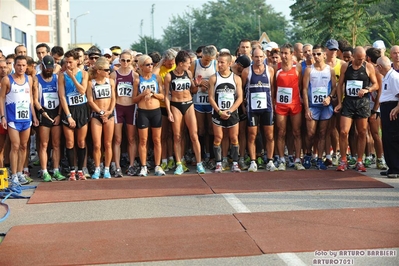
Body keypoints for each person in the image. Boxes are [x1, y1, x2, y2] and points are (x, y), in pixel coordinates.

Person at [334, 46, 379, 172]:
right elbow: (340, 85)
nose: (361, 61)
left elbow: (376, 84)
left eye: (363, 58)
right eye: (359, 59)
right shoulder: (345, 66)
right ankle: (343, 160)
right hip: (348, 101)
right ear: (353, 56)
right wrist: (339, 102)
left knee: (362, 132)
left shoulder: (368, 67)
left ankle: (359, 160)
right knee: (343, 131)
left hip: (362, 103)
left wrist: (367, 89)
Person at [164, 50, 206, 175]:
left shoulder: (188, 73)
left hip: (188, 104)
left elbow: (192, 90)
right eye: (188, 63)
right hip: (176, 105)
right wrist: (169, 111)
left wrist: (197, 85)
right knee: (177, 136)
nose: (189, 65)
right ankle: (178, 164)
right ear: (181, 63)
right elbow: (166, 95)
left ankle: (199, 163)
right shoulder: (169, 76)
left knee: (194, 134)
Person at [0, 55, 39, 186]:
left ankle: (21, 172)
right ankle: (14, 174)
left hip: (26, 118)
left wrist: (34, 116)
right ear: (14, 66)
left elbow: (31, 99)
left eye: (23, 65)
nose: (21, 67)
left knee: (24, 146)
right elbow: (2, 98)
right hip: (12, 118)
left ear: (26, 66)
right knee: (15, 146)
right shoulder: (7, 80)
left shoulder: (29, 79)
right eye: (18, 65)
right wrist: (3, 116)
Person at [241, 48, 276, 172]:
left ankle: (270, 160)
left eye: (261, 57)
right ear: (252, 57)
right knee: (252, 135)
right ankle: (253, 161)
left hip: (267, 107)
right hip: (252, 108)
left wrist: (273, 104)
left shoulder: (270, 70)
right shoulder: (246, 72)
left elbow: (273, 89)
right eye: (256, 57)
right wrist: (243, 106)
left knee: (269, 135)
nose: (259, 59)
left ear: (264, 57)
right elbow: (241, 90)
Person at [302, 44, 337, 170]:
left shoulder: (330, 70)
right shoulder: (309, 70)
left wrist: (329, 97)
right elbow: (305, 90)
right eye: (314, 54)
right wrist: (306, 109)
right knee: (311, 133)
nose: (316, 56)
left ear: (324, 55)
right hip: (313, 106)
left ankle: (319, 159)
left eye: (318, 54)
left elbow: (334, 87)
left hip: (325, 107)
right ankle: (307, 154)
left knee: (322, 133)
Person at [33, 55, 66, 182]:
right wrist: (42, 112)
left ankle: (56, 170)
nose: (49, 70)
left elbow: (61, 97)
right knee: (44, 144)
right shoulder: (37, 79)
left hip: (55, 112)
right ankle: (44, 170)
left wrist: (59, 114)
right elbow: (35, 100)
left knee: (56, 144)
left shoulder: (57, 78)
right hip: (44, 112)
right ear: (42, 66)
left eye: (51, 68)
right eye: (47, 68)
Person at [208, 51, 243, 173]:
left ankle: (234, 163)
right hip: (218, 112)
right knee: (218, 137)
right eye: (218, 62)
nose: (219, 64)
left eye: (222, 62)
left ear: (229, 63)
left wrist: (230, 111)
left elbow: (240, 97)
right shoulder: (214, 78)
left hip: (232, 112)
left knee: (234, 137)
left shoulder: (236, 78)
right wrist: (219, 111)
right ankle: (218, 163)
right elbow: (211, 97)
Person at [58, 50, 89, 181]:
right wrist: (68, 115)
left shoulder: (84, 74)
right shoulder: (62, 75)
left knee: (81, 141)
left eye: (70, 62)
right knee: (70, 141)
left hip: (82, 108)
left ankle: (81, 170)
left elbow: (82, 91)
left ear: (77, 61)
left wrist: (73, 77)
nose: (68, 65)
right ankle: (72, 170)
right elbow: (62, 96)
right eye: (66, 62)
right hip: (69, 109)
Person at [274, 43, 305, 170]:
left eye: (286, 53)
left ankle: (297, 159)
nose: (283, 55)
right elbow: (273, 87)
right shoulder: (276, 68)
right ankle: (282, 160)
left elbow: (301, 86)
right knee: (281, 132)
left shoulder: (297, 68)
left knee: (297, 132)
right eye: (282, 53)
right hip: (281, 105)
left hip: (295, 104)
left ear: (292, 54)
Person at [133, 55, 165, 176]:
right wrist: (142, 95)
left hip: (155, 111)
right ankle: (143, 166)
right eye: (147, 65)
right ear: (141, 66)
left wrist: (152, 94)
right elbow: (134, 99)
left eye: (152, 64)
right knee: (143, 140)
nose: (151, 66)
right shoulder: (138, 80)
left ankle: (157, 165)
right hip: (143, 112)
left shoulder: (157, 78)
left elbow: (162, 96)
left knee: (157, 140)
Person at [110, 51, 139, 177]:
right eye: (123, 60)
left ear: (131, 60)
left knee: (131, 138)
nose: (125, 63)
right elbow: (112, 94)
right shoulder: (114, 75)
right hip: (118, 107)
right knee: (117, 139)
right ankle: (117, 167)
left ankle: (132, 165)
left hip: (131, 108)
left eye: (128, 60)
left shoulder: (135, 75)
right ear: (119, 60)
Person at [87, 57, 116, 179]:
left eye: (108, 69)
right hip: (96, 115)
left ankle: (107, 168)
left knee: (108, 144)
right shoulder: (91, 83)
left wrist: (108, 112)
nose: (108, 72)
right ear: (98, 71)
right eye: (105, 69)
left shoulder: (110, 82)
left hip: (109, 115)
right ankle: (98, 168)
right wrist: (100, 112)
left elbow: (114, 98)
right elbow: (90, 100)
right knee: (97, 145)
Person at [190, 45, 218, 169]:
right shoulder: (195, 64)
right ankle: (200, 157)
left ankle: (212, 157)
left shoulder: (215, 64)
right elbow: (190, 84)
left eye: (210, 60)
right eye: (206, 59)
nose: (208, 62)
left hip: (211, 101)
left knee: (212, 130)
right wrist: (198, 84)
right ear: (202, 55)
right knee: (200, 130)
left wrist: (210, 86)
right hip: (198, 101)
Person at [376, 56, 399, 178]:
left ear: (380, 67)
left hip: (392, 108)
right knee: (387, 137)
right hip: (386, 107)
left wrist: (396, 108)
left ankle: (396, 167)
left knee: (393, 138)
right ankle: (392, 166)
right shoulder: (387, 76)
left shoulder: (394, 77)